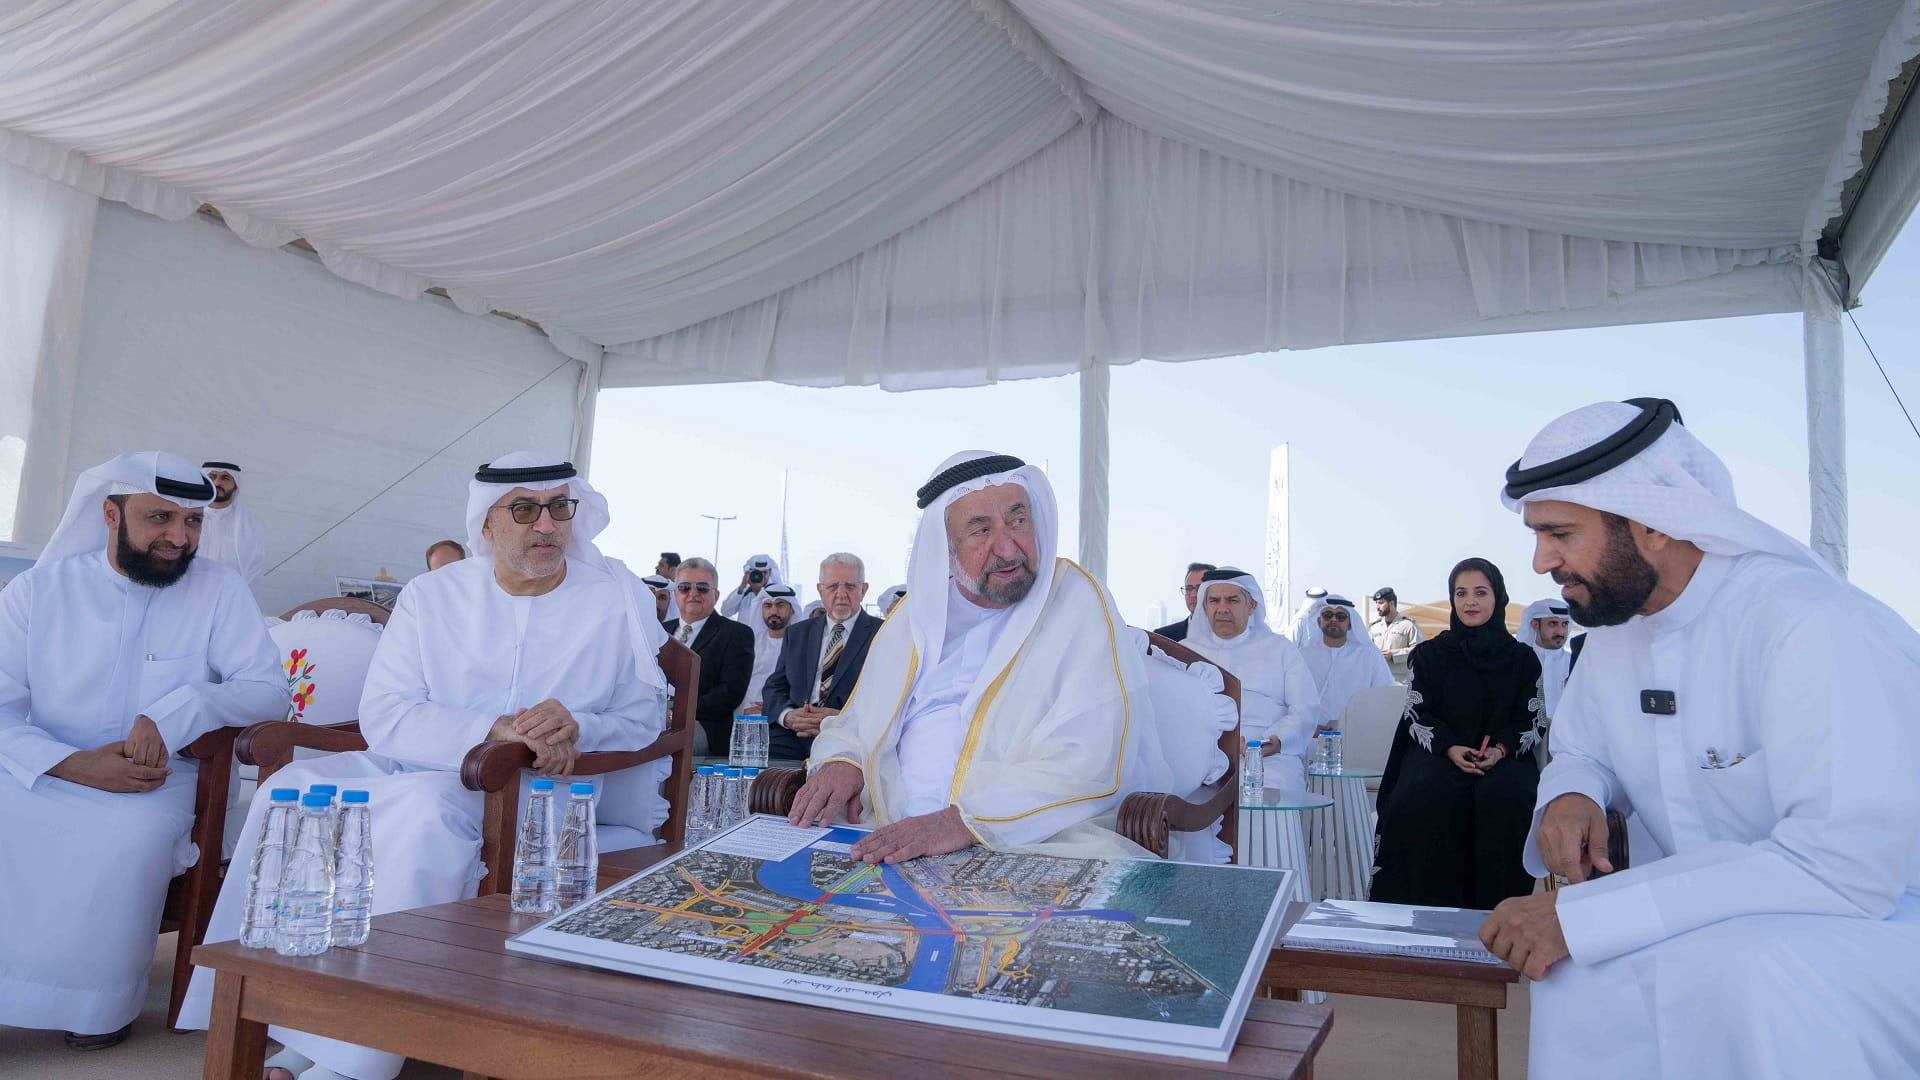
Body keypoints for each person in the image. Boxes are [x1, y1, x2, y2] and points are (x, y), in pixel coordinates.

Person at [180, 452, 670, 1080]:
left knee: (424, 810)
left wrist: (578, 725)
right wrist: (492, 728)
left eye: (558, 508)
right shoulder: (433, 594)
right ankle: (290, 1018)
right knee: (292, 789)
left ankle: (354, 1052)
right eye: (524, 510)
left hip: (534, 790)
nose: (547, 525)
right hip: (415, 760)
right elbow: (386, 712)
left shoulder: (614, 599)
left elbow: (643, 718)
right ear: (486, 523)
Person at [1478, 398, 1920, 1078]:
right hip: (1709, 917)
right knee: (1580, 976)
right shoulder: (1617, 635)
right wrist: (1574, 794)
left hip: (1874, 923)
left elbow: (1843, 867)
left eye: (1560, 533)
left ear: (1653, 523)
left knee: (1748, 970)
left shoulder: (1812, 624)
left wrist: (1590, 916)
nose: (1541, 562)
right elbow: (1582, 751)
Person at [0, 453, 282, 1051]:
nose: (179, 537)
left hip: (161, 778)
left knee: (124, 837)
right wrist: (69, 763)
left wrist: (176, 712)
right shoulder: (39, 590)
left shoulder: (220, 590)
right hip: (47, 766)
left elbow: (266, 690)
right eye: (160, 518)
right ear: (111, 514)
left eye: (193, 521)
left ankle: (93, 1006)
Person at [789, 451, 1159, 862]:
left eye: (1018, 521)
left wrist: (962, 822)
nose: (1008, 548)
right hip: (887, 828)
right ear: (945, 547)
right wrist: (845, 760)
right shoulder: (914, 614)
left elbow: (1091, 754)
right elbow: (860, 720)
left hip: (1027, 837)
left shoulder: (1075, 601)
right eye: (981, 530)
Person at [1371, 558, 1543, 910]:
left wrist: (1500, 749)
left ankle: (1501, 916)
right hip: (1439, 753)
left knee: (1507, 799)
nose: (1470, 602)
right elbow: (1418, 710)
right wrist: (1449, 747)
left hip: (1502, 757)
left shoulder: (1522, 660)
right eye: (1461, 593)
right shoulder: (1430, 655)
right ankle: (1420, 915)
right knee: (1422, 797)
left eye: (1480, 592)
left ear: (1498, 598)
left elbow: (1532, 718)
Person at [1182, 568, 1321, 789]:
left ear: (1252, 606)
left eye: (1232, 600)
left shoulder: (1280, 649)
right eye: (1214, 601)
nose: (1222, 608)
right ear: (1204, 607)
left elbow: (1305, 708)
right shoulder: (1184, 652)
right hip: (1198, 756)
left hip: (1267, 757)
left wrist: (1276, 740)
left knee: (1277, 790)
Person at [764, 554, 883, 762]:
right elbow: (775, 687)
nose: (841, 594)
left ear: (863, 590)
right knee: (761, 763)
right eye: (833, 586)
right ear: (820, 590)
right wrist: (788, 716)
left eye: (850, 586)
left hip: (851, 735)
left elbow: (887, 697)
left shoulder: (882, 634)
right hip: (795, 733)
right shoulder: (797, 633)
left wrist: (840, 719)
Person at [663, 557, 755, 756]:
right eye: (685, 587)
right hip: (652, 719)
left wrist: (676, 713)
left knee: (658, 744)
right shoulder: (659, 631)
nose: (693, 593)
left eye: (702, 588)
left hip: (703, 724)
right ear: (675, 593)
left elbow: (730, 692)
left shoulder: (736, 634)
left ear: (716, 594)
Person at [1296, 593, 1395, 729]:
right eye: (1327, 615)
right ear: (1319, 621)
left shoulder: (1369, 656)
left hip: (1357, 732)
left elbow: (1384, 695)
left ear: (1350, 624)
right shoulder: (1303, 656)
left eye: (1341, 616)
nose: (1333, 619)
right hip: (1312, 734)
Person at [197, 461, 266, 593]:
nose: (217, 482)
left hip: (229, 597)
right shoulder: (186, 520)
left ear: (235, 486)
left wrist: (238, 598)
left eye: (225, 478)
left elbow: (253, 571)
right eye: (212, 477)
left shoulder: (250, 528)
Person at [741, 583, 799, 715]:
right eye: (768, 606)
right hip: (749, 714)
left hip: (788, 715)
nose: (773, 612)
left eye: (780, 605)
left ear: (792, 610)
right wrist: (744, 708)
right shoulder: (749, 643)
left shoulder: (803, 645)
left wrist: (775, 708)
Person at [1516, 598, 1573, 726]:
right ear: (1535, 625)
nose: (1560, 632)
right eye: (1553, 623)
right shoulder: (1517, 662)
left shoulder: (1575, 663)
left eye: (1564, 624)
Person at [720, 553, 786, 643]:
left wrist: (758, 591)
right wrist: (742, 588)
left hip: (766, 645)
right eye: (756, 572)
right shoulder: (744, 591)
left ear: (770, 572)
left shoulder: (778, 593)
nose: (760, 576)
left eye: (764, 572)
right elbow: (725, 611)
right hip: (742, 643)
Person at [1368, 586, 1422, 681]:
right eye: (1376, 603)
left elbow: (1418, 651)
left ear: (1392, 603)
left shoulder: (1408, 625)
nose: (1377, 607)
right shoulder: (1374, 628)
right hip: (1378, 680)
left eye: (1381, 603)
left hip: (1401, 681)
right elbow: (1367, 650)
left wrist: (1394, 655)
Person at [1151, 561, 1215, 641]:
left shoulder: (1230, 635)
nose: (1193, 595)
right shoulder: (1162, 637)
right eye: (1188, 588)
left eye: (1199, 588)